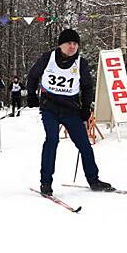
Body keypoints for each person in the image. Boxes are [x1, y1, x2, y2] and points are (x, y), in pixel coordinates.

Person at [26, 28, 113, 196]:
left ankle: (94, 180)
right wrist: (31, 95)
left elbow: (87, 87)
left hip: (70, 109)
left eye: (75, 44)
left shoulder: (81, 63)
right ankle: (46, 183)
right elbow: (32, 75)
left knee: (84, 145)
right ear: (61, 45)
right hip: (49, 107)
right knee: (52, 141)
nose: (72, 47)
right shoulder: (48, 58)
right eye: (69, 43)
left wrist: (86, 108)